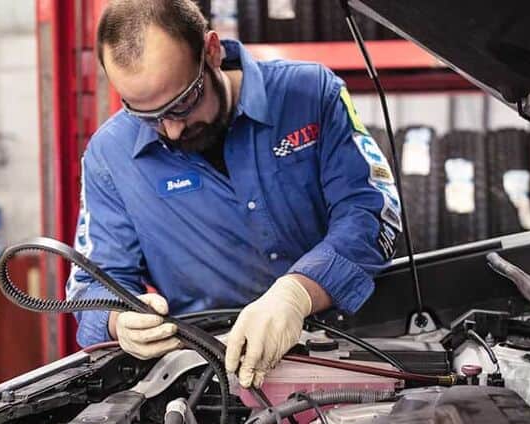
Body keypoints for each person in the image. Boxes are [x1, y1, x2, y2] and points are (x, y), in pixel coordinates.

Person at [67, 0, 402, 388]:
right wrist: (118, 320)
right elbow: (95, 283)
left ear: (211, 51)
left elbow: (371, 210)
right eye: (146, 115)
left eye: (183, 103)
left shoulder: (310, 94)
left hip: (353, 354)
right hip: (217, 378)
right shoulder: (110, 156)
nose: (172, 131)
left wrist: (298, 293)